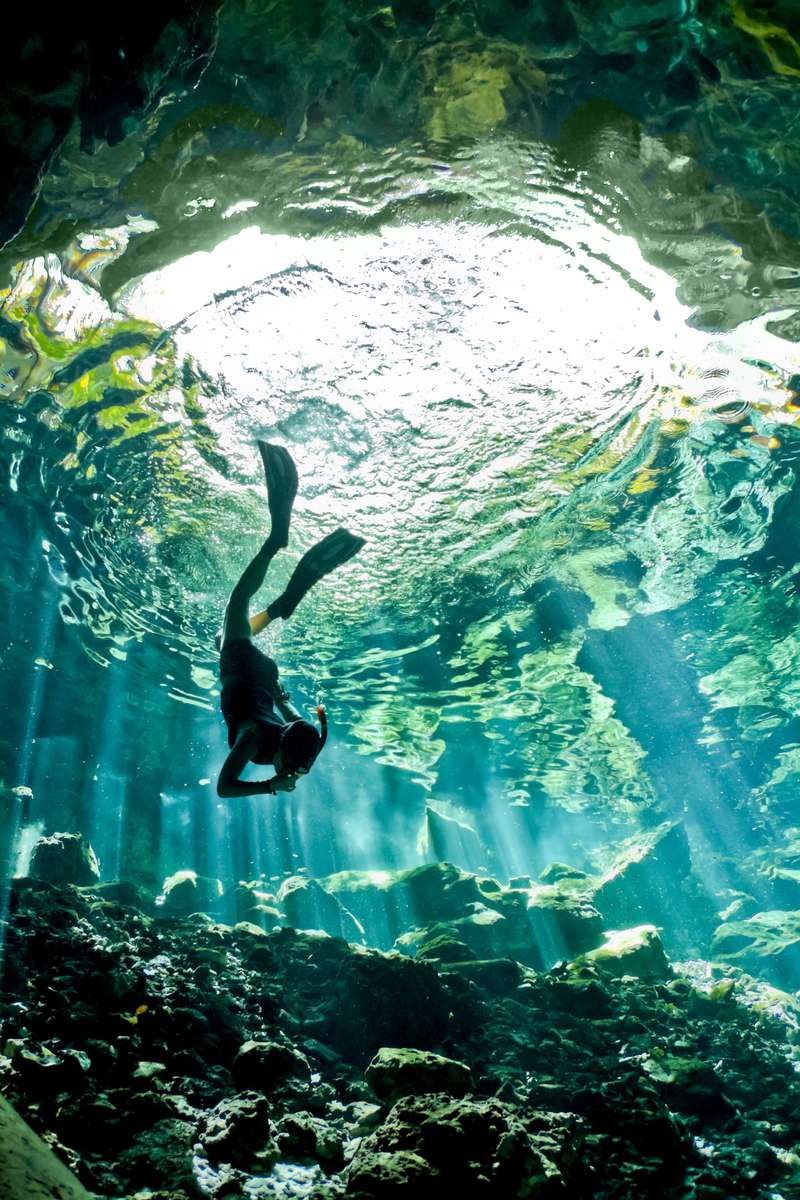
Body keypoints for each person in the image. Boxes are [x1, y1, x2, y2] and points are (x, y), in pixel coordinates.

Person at [216, 442, 364, 798]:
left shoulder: (299, 734)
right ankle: (274, 540)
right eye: (288, 766)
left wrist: (278, 696)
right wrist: (268, 784)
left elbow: (286, 706)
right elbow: (224, 788)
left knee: (224, 638)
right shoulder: (253, 740)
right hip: (241, 670)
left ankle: (282, 606)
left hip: (265, 676)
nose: (287, 772)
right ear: (286, 751)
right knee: (238, 601)